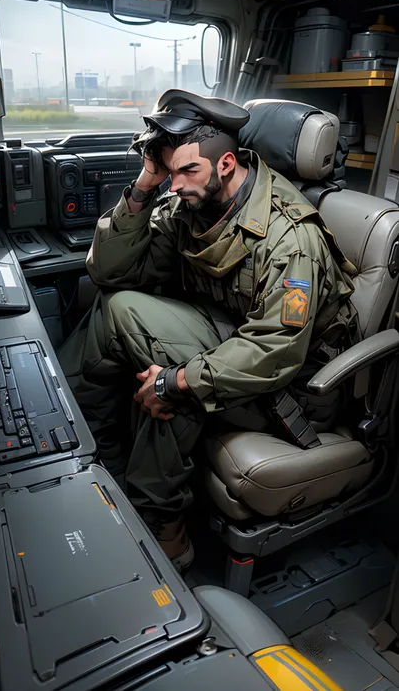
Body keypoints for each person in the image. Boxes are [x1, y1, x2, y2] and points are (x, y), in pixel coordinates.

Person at [58, 89, 358, 571]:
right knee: (116, 304)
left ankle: (166, 529)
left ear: (225, 165)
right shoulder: (190, 202)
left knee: (174, 382)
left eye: (184, 171)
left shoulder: (290, 237)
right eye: (168, 172)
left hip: (294, 387)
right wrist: (145, 183)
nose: (173, 185)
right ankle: (80, 446)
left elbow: (276, 350)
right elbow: (111, 273)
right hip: (231, 336)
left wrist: (173, 381)